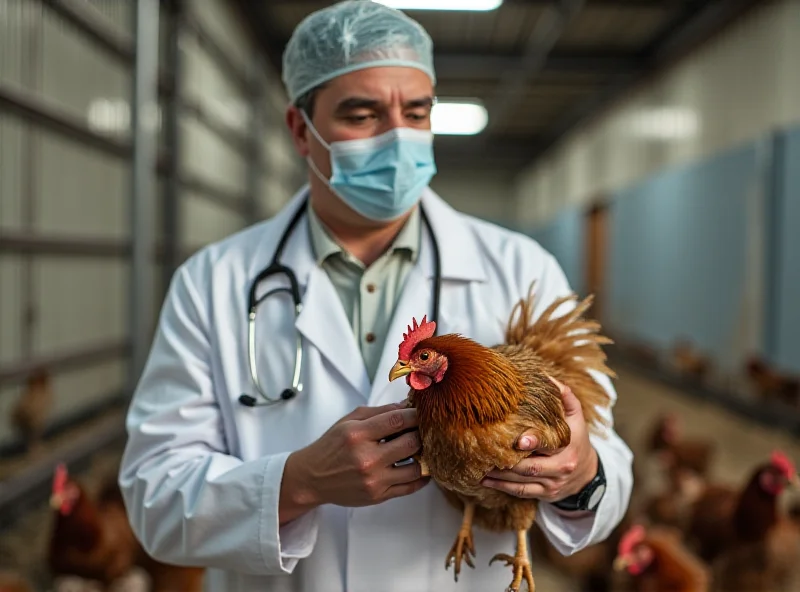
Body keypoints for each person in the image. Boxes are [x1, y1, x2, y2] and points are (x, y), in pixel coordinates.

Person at [117, 1, 633, 591]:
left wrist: (579, 473)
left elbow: (608, 472)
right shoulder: (213, 281)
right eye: (362, 115)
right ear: (299, 130)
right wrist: (297, 482)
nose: (396, 137)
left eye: (416, 112)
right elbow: (154, 498)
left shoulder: (517, 266)